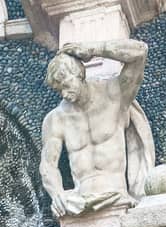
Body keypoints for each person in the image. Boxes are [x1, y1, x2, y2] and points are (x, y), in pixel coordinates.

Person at [39, 41, 156, 217]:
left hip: (117, 196)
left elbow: (140, 52)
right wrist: (57, 195)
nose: (64, 94)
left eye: (66, 85)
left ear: (79, 74)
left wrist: (94, 50)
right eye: (59, 90)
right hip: (78, 204)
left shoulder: (114, 94)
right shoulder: (56, 119)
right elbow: (48, 165)